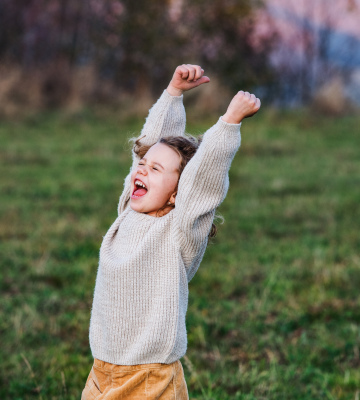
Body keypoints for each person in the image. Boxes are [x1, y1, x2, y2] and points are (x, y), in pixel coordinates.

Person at [82, 64, 261, 400]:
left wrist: (229, 123)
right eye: (142, 166)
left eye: (156, 170)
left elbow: (204, 178)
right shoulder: (128, 211)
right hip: (102, 369)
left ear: (179, 193)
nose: (143, 171)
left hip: (150, 377)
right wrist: (173, 93)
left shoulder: (179, 231)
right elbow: (152, 142)